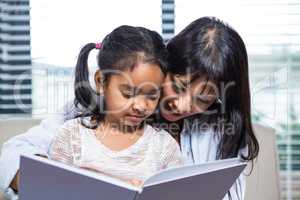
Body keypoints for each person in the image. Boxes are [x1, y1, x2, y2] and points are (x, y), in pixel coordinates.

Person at [0, 17, 259, 200]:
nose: (181, 105)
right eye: (178, 86)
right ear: (164, 67)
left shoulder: (223, 133)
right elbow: (13, 154)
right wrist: (67, 181)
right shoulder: (92, 113)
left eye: (204, 98)